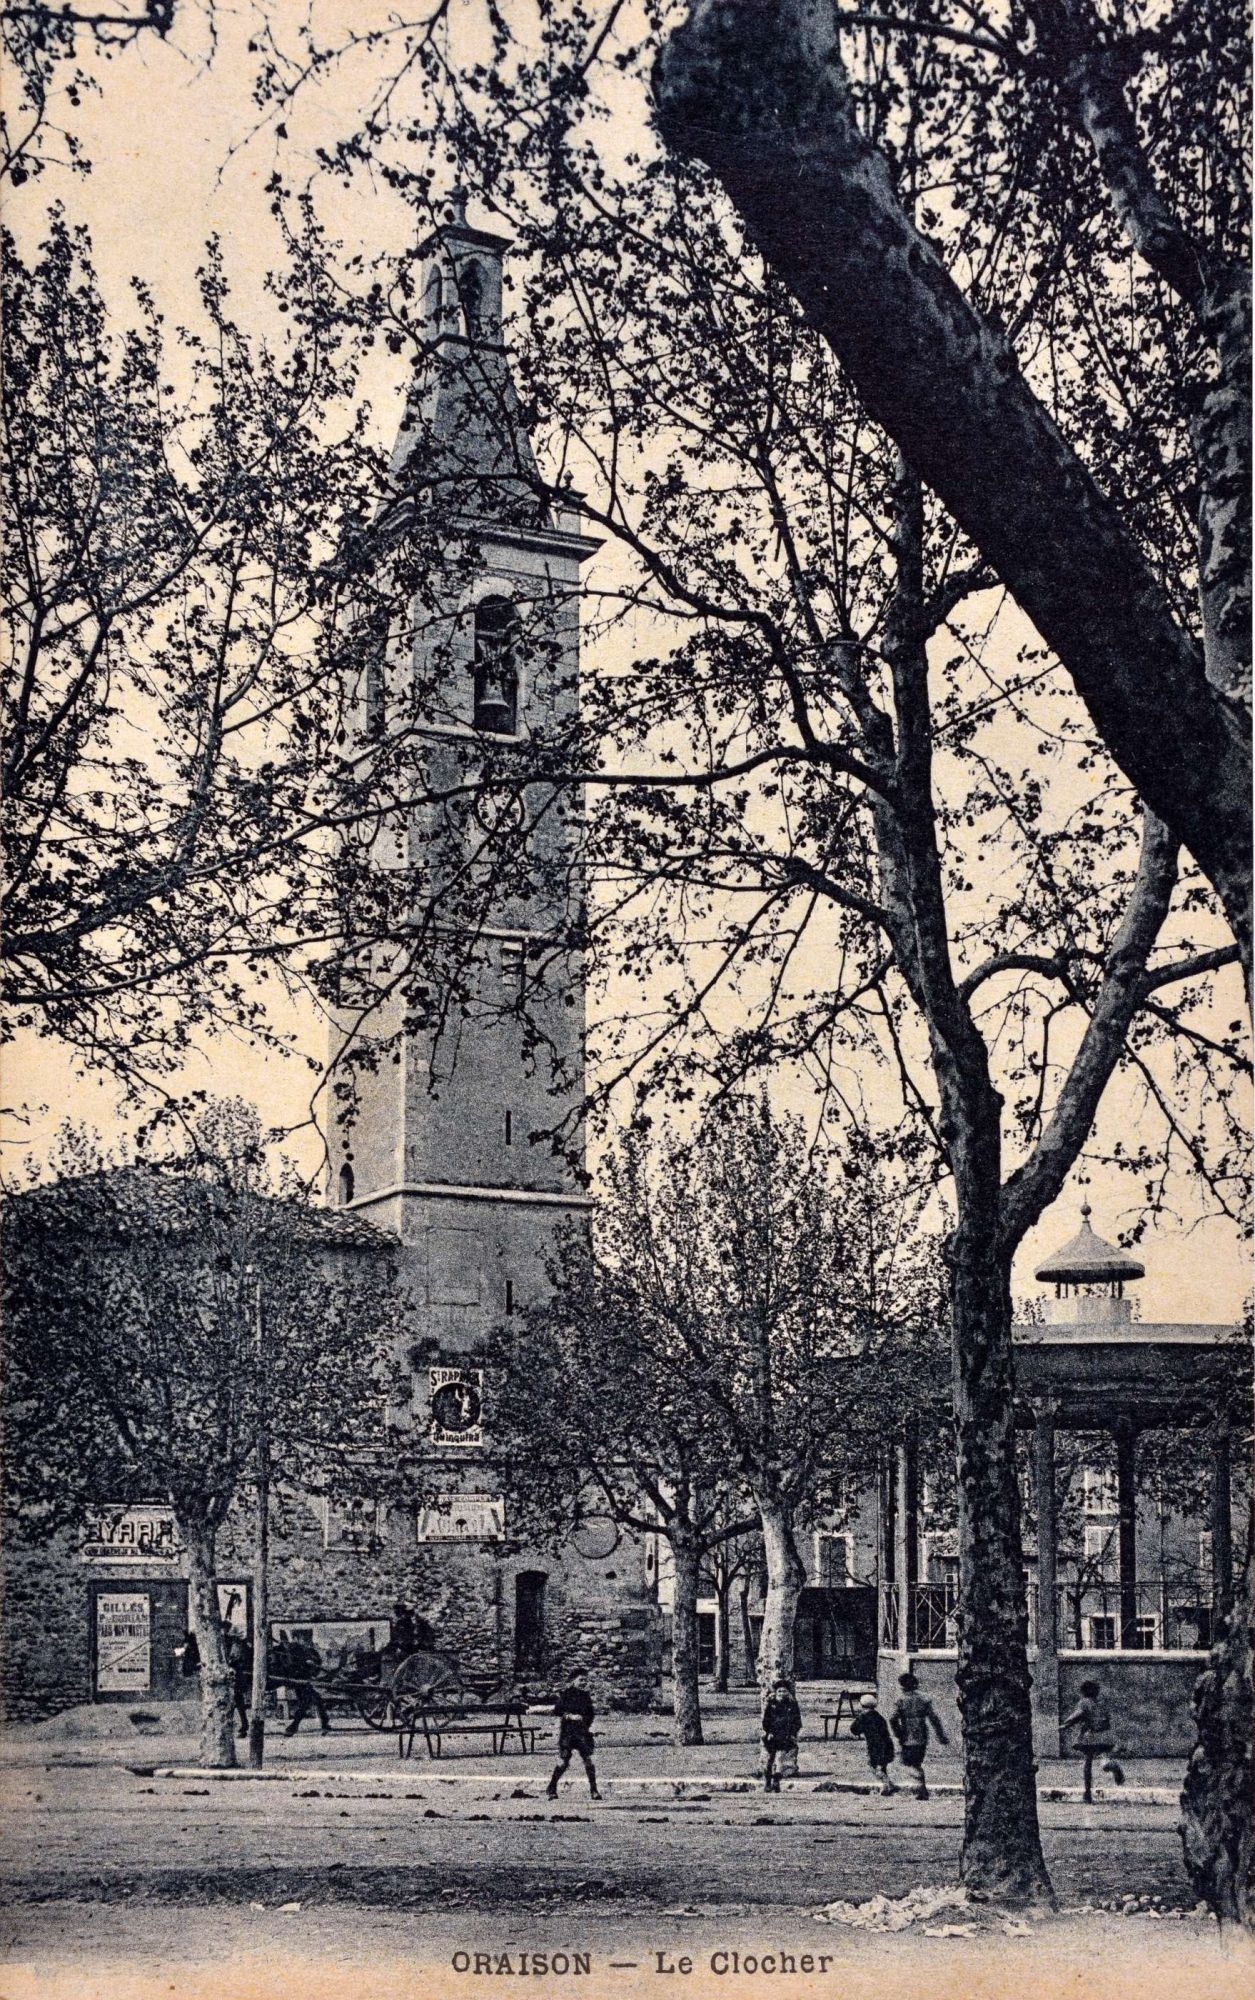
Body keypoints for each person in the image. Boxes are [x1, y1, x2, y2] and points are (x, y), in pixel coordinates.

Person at [1062, 1676, 1126, 1803]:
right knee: (1103, 1757)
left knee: (1088, 1762)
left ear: (1083, 1691)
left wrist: (1065, 1724)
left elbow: (1077, 1715)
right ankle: (1111, 1765)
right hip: (1104, 1736)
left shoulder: (1084, 1702)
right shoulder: (1100, 1704)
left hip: (1090, 1737)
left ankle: (1087, 1792)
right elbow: (1106, 1720)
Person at [889, 1670, 948, 1799]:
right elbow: (934, 1718)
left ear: (902, 1686)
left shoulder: (901, 1700)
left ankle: (921, 1788)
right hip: (922, 1734)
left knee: (908, 1763)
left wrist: (898, 1733)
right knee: (916, 1763)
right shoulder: (924, 1699)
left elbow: (893, 1719)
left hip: (907, 1735)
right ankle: (921, 1789)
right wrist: (941, 1735)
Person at [546, 1670, 601, 1801]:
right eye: (581, 1680)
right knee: (563, 1762)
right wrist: (569, 1716)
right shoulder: (566, 1694)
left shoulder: (585, 1696)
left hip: (582, 1733)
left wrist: (586, 1723)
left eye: (585, 1680)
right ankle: (552, 1787)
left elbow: (590, 1714)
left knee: (588, 1760)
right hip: (568, 1733)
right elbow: (557, 1710)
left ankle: (594, 1790)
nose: (583, 1683)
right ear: (573, 1681)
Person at [276, 1633, 330, 1736]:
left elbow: (315, 1662)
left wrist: (309, 1662)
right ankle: (325, 1722)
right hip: (299, 1674)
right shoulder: (293, 1647)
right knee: (313, 1697)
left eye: (304, 1639)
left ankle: (294, 1726)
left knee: (307, 1700)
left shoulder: (300, 1649)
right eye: (302, 1639)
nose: (304, 1641)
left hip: (300, 1674)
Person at [849, 1691, 896, 1795]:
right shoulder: (879, 1716)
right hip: (887, 1744)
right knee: (882, 1766)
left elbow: (854, 1729)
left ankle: (887, 1785)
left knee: (874, 1766)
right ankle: (888, 1785)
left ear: (862, 1705)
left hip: (874, 1745)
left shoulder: (863, 1717)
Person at [761, 1677, 802, 1793]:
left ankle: (776, 1780)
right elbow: (766, 1720)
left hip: (786, 1735)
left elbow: (797, 1721)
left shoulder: (792, 1705)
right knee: (770, 1759)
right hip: (773, 1735)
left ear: (788, 1692)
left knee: (780, 1759)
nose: (781, 1694)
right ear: (776, 1692)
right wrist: (769, 1731)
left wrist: (793, 1733)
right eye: (779, 1691)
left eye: (784, 1691)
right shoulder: (772, 1704)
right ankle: (767, 1781)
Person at [225, 1628, 253, 1738]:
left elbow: (235, 1658)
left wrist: (230, 1662)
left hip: (242, 1674)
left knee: (238, 1696)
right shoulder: (238, 1644)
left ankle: (244, 1724)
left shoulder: (239, 1645)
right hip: (240, 1672)